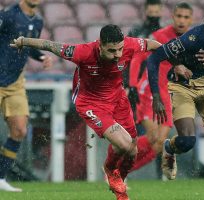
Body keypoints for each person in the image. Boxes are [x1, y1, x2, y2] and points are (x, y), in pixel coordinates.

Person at [11, 24, 161, 200]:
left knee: (132, 150)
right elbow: (49, 45)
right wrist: (24, 41)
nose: (118, 55)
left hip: (118, 99)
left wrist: (176, 62)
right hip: (91, 104)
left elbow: (154, 45)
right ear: (100, 46)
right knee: (125, 145)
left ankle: (116, 175)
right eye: (112, 51)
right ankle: (117, 186)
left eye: (120, 49)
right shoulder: (83, 52)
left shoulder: (130, 44)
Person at [129, 2, 204, 174]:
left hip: (170, 92)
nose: (181, 21)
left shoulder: (194, 38)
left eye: (186, 17)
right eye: (179, 16)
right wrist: (132, 85)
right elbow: (140, 59)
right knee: (153, 138)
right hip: (150, 89)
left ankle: (121, 170)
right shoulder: (160, 35)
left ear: (191, 19)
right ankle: (118, 159)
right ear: (173, 17)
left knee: (158, 144)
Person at [0, 0, 52, 192]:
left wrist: (42, 57)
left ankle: (0, 178)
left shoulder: (37, 21)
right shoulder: (7, 15)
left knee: (20, 130)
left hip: (15, 82)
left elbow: (27, 46)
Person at [124, 0, 163, 114]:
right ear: (145, 12)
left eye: (156, 12)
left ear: (161, 12)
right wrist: (127, 85)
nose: (153, 15)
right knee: (134, 121)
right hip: (134, 85)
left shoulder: (165, 33)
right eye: (151, 12)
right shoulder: (136, 32)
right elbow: (126, 58)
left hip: (156, 85)